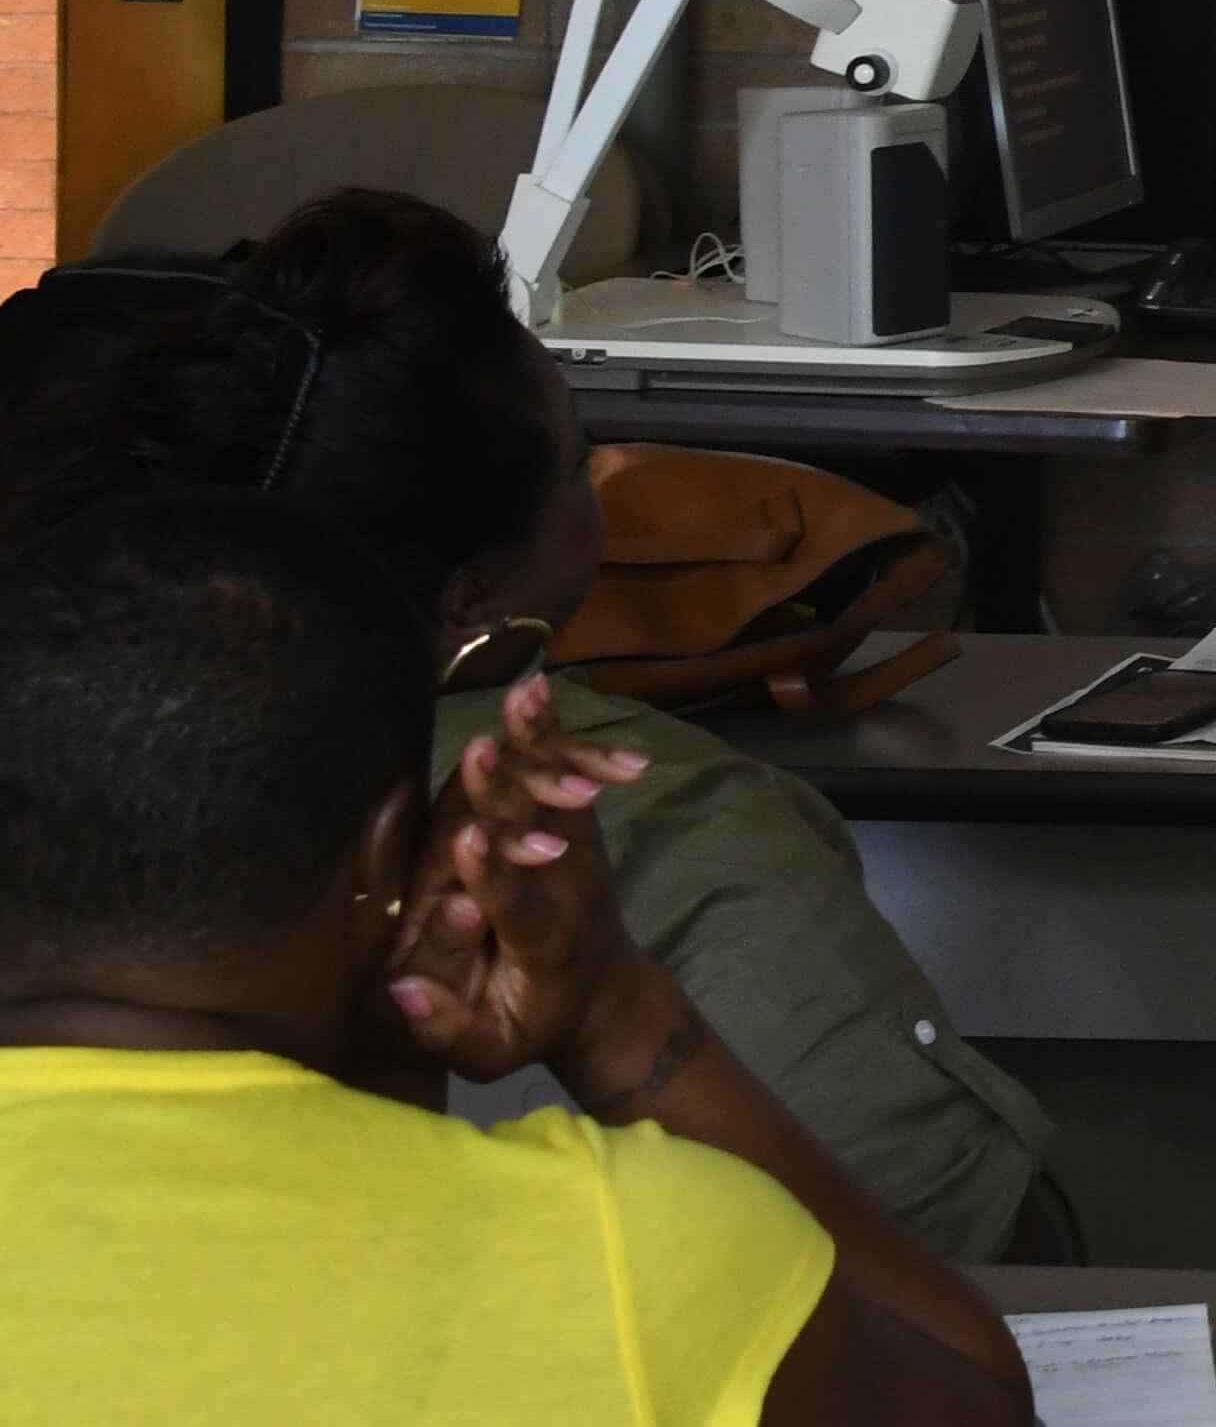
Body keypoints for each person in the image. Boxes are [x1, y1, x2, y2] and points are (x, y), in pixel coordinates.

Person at [0, 189, 1057, 1261]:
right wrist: (614, 1018)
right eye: (578, 464)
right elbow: (967, 1257)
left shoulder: (58, 761)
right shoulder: (651, 823)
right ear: (471, 601)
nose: (607, 484)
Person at [0, 487, 1035, 1424]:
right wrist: (613, 1009)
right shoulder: (630, 1253)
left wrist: (390, 1057)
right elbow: (977, 1396)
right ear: (388, 848)